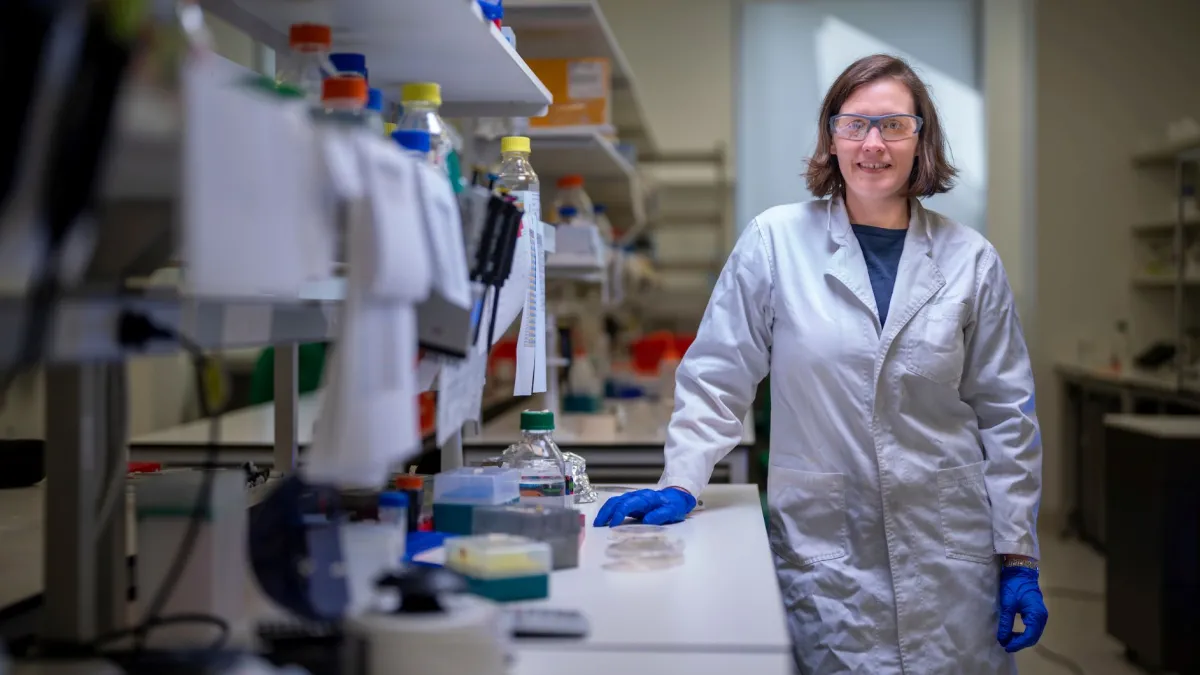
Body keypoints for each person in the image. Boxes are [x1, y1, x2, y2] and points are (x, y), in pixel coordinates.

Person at [593, 54, 1047, 673]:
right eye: (854, 124)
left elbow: (1006, 414)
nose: (873, 144)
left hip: (951, 556)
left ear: (922, 139)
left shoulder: (972, 260)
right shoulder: (774, 242)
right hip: (828, 555)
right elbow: (718, 377)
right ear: (830, 138)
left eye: (893, 125)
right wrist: (681, 479)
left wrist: (1017, 552)